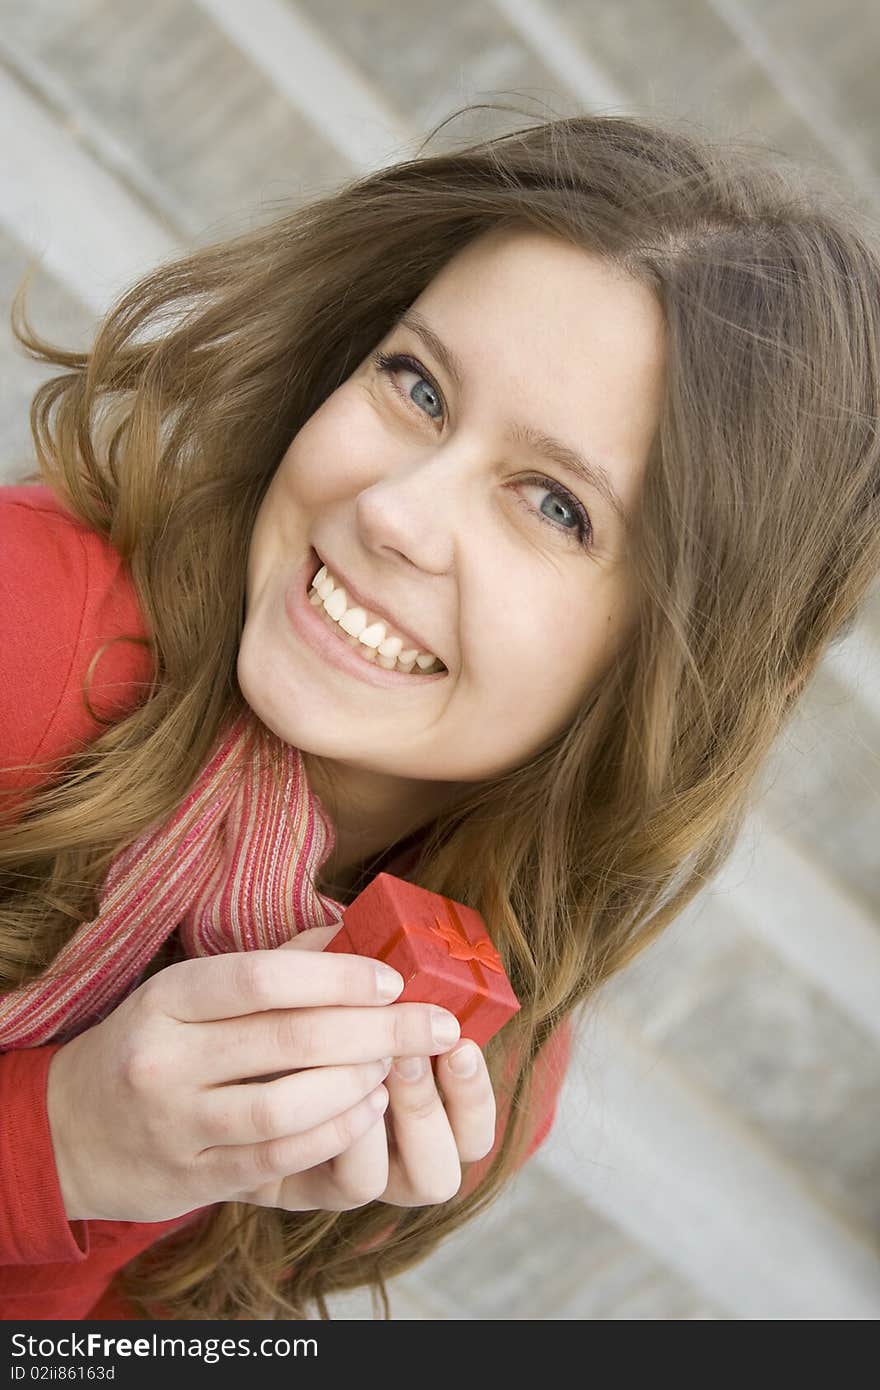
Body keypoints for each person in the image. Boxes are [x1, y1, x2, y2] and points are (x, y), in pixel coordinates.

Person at [1, 106, 878, 1322]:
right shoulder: (31, 631)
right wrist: (66, 1144)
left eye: (555, 505)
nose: (398, 515)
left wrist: (204, 1206)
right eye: (417, 385)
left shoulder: (482, 1068)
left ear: (672, 668)